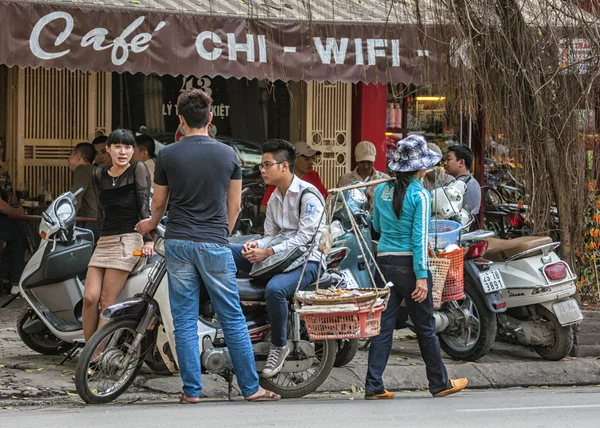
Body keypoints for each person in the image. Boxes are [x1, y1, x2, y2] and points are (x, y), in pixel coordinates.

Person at [136, 89, 279, 403]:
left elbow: (158, 204)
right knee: (231, 317)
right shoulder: (228, 154)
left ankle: (191, 392)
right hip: (213, 243)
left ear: (181, 120)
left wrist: (149, 223)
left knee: (184, 319)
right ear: (211, 119)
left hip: (177, 243)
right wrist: (221, 233)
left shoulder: (168, 155)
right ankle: (251, 389)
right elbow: (235, 204)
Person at [365, 134, 468, 400]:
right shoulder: (420, 195)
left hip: (384, 265)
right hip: (409, 267)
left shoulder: (380, 190)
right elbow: (419, 239)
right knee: (425, 327)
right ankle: (439, 382)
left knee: (383, 328)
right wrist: (422, 277)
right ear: (421, 168)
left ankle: (373, 385)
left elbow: (375, 228)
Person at [231, 139, 326, 379]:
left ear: (284, 166)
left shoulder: (308, 195)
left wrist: (268, 252)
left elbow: (306, 240)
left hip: (308, 262)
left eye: (266, 165)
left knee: (275, 290)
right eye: (262, 165)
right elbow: (271, 236)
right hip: (279, 257)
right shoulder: (274, 197)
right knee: (229, 252)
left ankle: (279, 345)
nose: (261, 170)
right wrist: (257, 245)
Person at [82, 129, 153, 344]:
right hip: (105, 240)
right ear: (108, 149)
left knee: (106, 299)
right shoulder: (97, 174)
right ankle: (89, 352)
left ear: (133, 150)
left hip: (128, 239)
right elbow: (102, 212)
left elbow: (144, 209)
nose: (123, 152)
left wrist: (148, 239)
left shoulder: (137, 170)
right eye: (118, 147)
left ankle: (95, 358)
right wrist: (99, 237)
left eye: (128, 147)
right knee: (89, 298)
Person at [259, 141, 328, 215]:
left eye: (312, 159)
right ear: (294, 159)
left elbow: (325, 199)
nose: (311, 162)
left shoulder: (313, 175)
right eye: (307, 159)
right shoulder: (280, 177)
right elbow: (264, 208)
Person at [0, 136, 26, 296]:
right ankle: (16, 281)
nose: (0, 150)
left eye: (1, 147)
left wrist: (15, 208)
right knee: (17, 238)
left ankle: (11, 277)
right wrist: (16, 211)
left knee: (23, 228)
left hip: (4, 216)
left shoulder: (4, 170)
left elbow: (9, 198)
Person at [336, 140, 390, 211]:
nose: (366, 166)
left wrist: (373, 201)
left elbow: (389, 206)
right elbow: (337, 206)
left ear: (375, 159)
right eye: (362, 162)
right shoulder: (345, 180)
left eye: (369, 162)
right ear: (356, 159)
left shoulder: (384, 180)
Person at [67, 142, 99, 238]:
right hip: (100, 220)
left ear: (78, 156)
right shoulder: (95, 169)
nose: (68, 159)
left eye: (70, 155)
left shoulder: (82, 169)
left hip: (91, 222)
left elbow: (75, 197)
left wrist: (65, 220)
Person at [444, 145, 481, 215]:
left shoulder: (462, 185)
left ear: (461, 162)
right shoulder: (473, 182)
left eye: (448, 159)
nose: (445, 163)